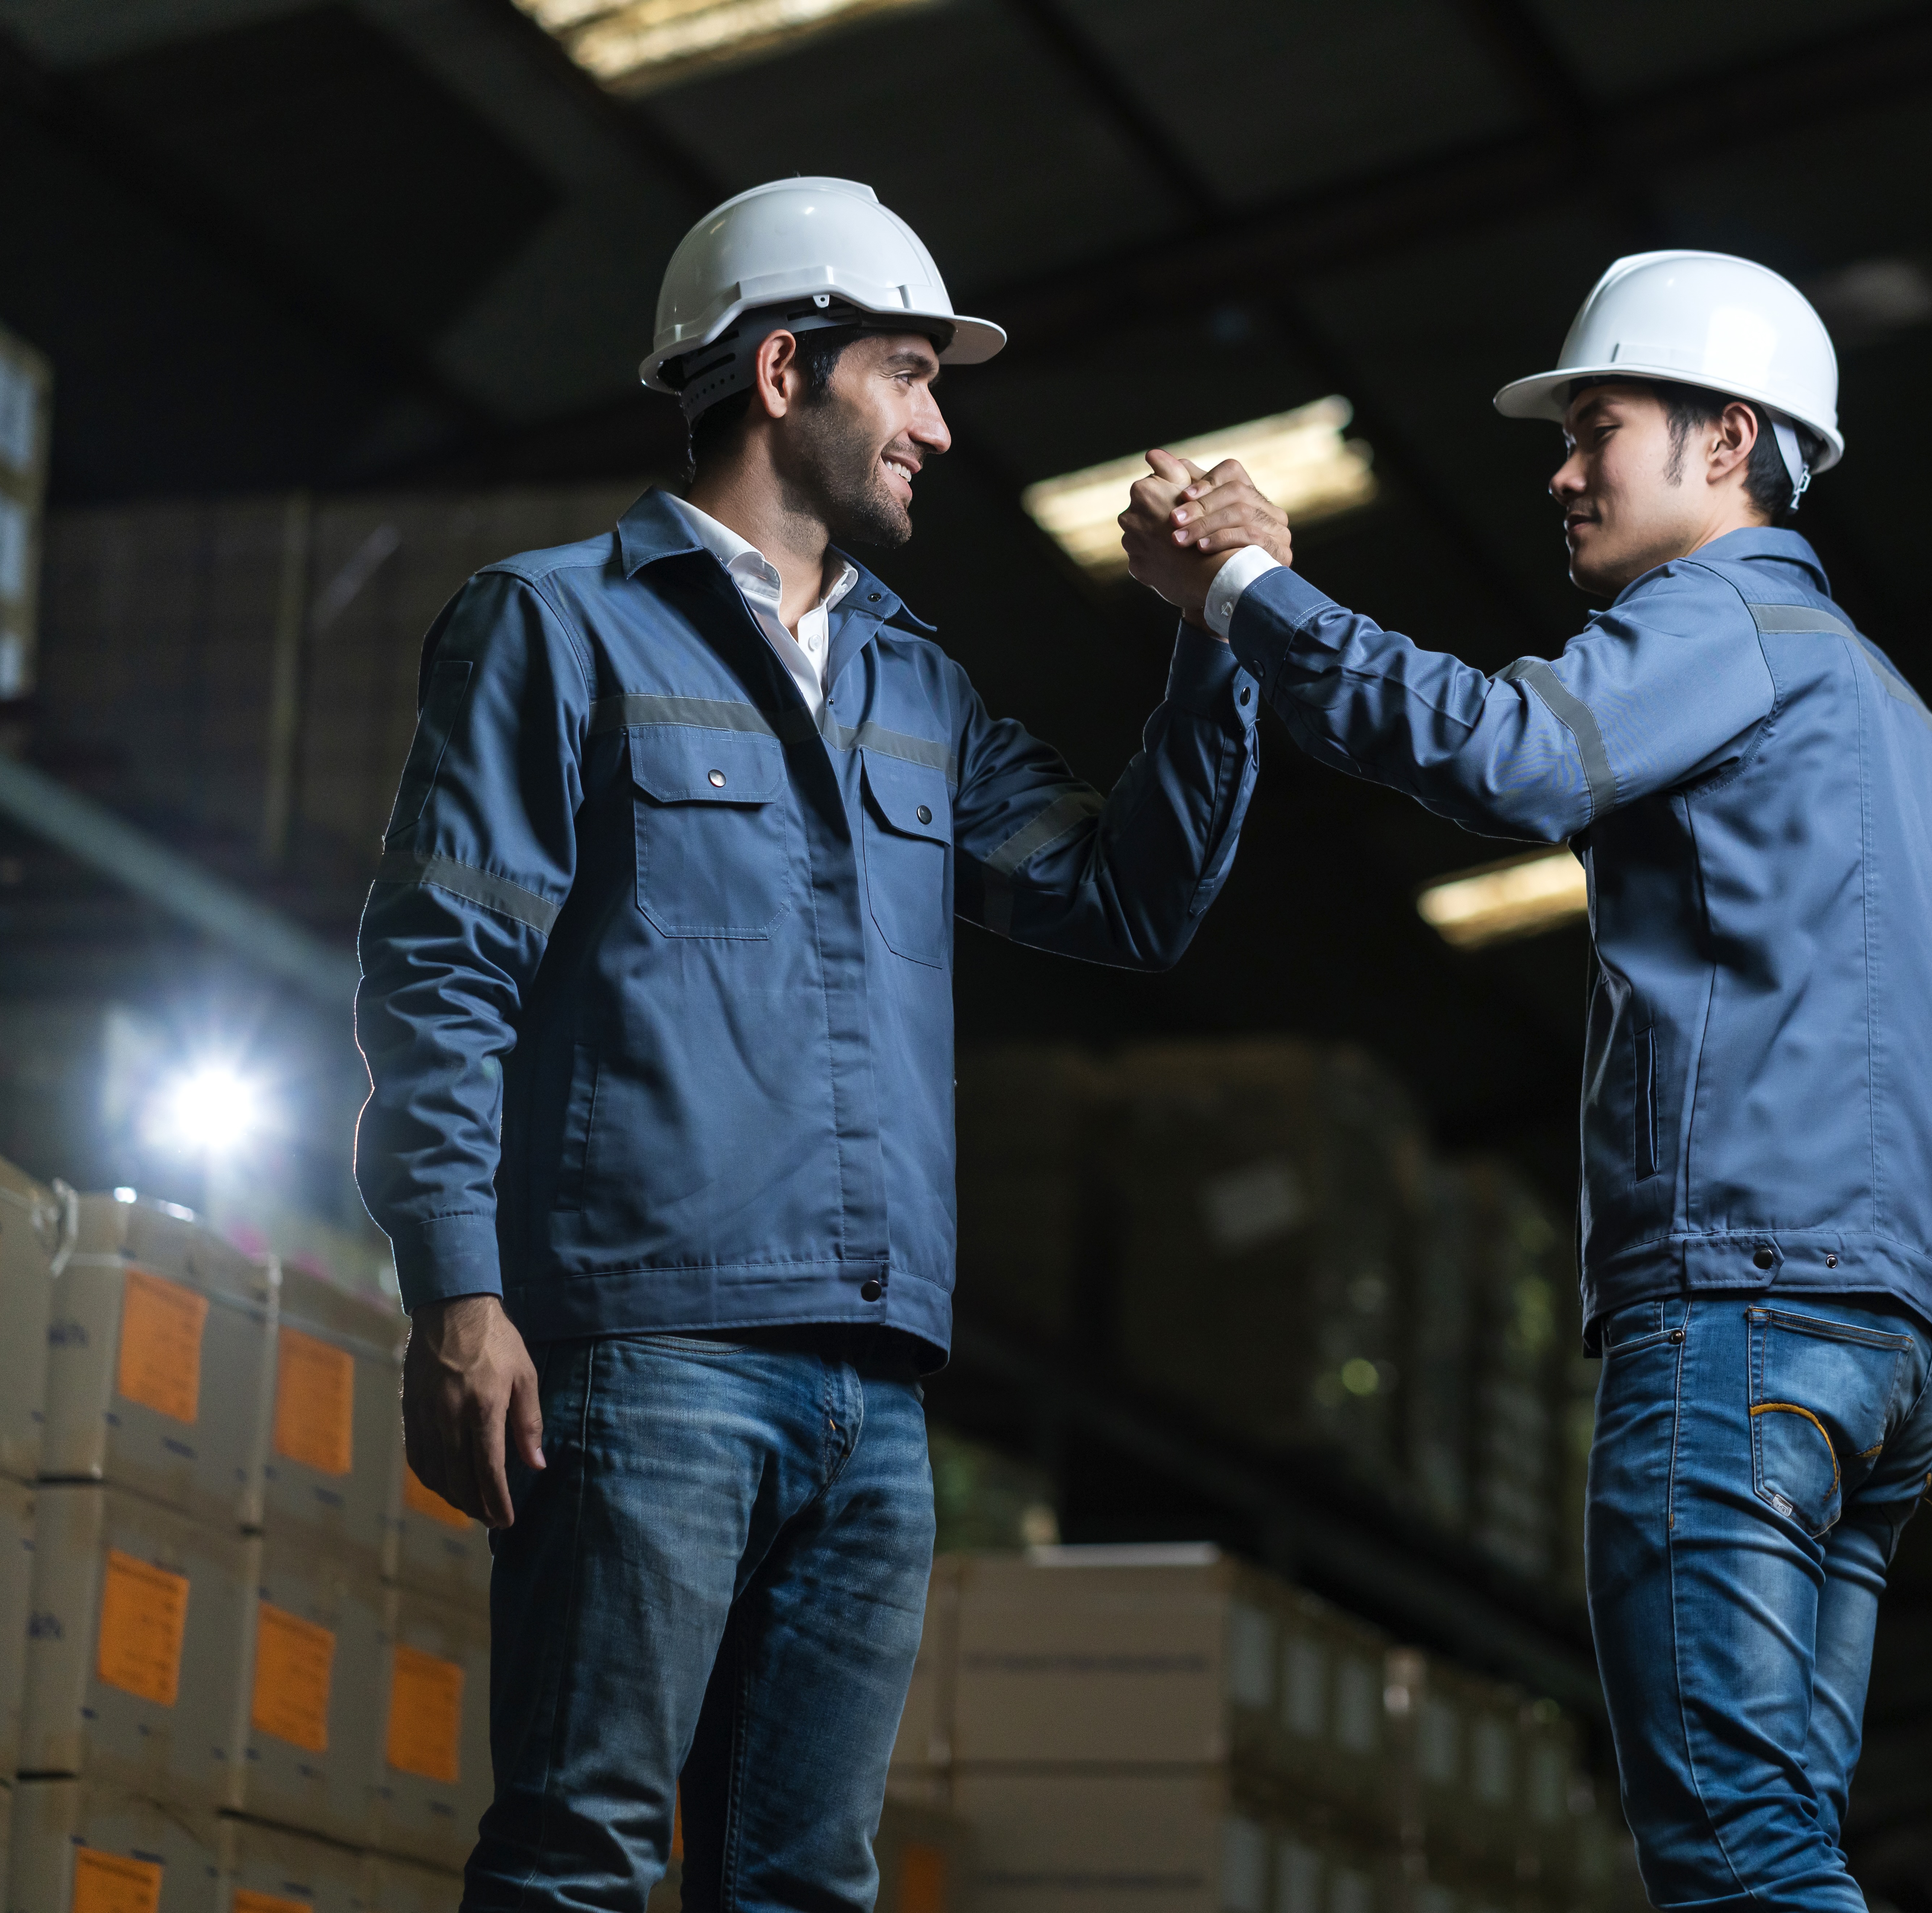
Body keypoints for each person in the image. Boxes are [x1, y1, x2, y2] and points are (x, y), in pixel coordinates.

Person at [355, 176, 1269, 1913]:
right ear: (785, 369)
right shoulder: (555, 626)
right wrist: (458, 1295)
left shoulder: (917, 688)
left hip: (874, 1387)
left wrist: (1217, 633)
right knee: (582, 1857)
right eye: (910, 374)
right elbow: (443, 971)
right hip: (648, 1354)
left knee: (805, 1887)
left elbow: (1125, 901)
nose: (936, 422)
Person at [1121, 250, 1932, 1910]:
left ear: (1725, 441)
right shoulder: (1904, 727)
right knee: (1783, 1831)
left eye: (1596, 426)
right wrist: (1859, 1241)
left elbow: (1510, 755)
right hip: (1882, 1362)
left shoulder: (1721, 625)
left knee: (1735, 1851)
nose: (1557, 470)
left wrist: (1251, 590)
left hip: (1739, 1324)